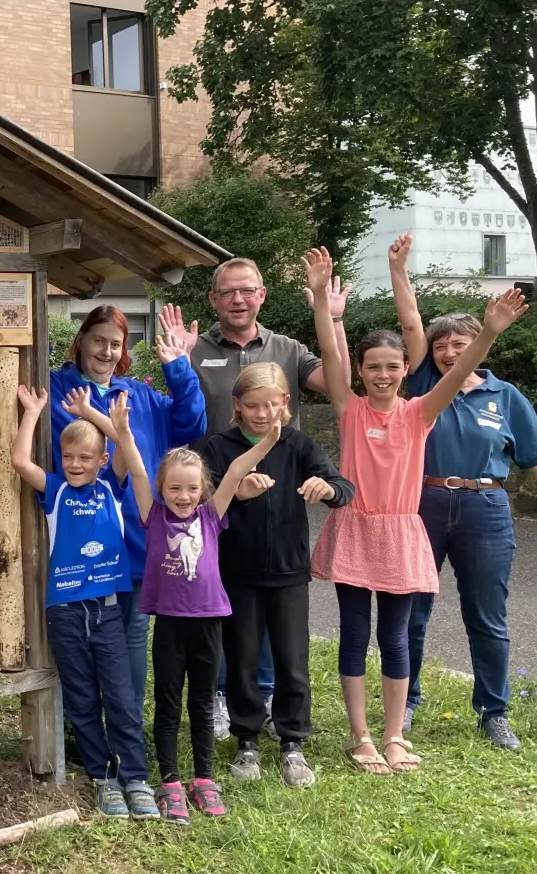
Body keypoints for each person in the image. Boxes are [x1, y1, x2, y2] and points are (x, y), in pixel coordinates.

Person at [306, 246, 527, 775]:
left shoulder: (420, 412)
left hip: (404, 533)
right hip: (356, 528)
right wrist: (320, 301)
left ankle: (395, 734)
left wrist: (491, 329)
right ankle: (360, 735)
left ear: (408, 369)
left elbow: (461, 371)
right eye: (372, 367)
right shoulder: (349, 408)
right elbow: (330, 358)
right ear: (361, 371)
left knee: (398, 636)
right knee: (356, 634)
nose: (382, 375)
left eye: (392, 366)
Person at [66, 387, 278, 824]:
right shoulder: (155, 515)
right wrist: (122, 432)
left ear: (204, 490)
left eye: (192, 488)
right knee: (166, 705)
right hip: (169, 625)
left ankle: (204, 778)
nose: (183, 496)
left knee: (201, 703)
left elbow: (238, 469)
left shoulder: (211, 515)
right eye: (175, 488)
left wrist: (270, 439)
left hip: (208, 624)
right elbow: (139, 469)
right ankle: (170, 782)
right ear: (163, 489)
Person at [388, 233, 537, 751]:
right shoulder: (420, 389)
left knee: (487, 614)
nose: (447, 350)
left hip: (487, 507)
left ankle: (493, 711)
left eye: (458, 343)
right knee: (411, 609)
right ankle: (407, 701)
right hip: (423, 505)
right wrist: (399, 271)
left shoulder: (505, 396)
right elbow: (412, 323)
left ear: (477, 345)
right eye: (441, 345)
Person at [173, 257, 352, 740]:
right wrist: (176, 361)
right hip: (212, 496)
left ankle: (268, 698)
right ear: (213, 299)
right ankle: (222, 696)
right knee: (224, 606)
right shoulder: (196, 348)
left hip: (277, 498)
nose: (238, 299)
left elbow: (340, 383)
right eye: (228, 291)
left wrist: (332, 319)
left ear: (262, 295)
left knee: (275, 612)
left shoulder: (288, 349)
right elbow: (176, 406)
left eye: (247, 290)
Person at [201, 363, 353, 788]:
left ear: (286, 403)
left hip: (289, 573)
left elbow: (342, 486)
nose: (263, 413)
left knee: (292, 660)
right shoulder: (219, 446)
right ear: (237, 406)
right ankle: (246, 740)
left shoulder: (298, 444)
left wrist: (328, 490)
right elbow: (202, 505)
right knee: (243, 657)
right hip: (237, 572)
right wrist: (237, 492)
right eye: (253, 405)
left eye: (272, 404)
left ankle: (292, 743)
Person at [50, 306, 206, 707]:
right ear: (81, 340)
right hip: (79, 537)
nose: (105, 351)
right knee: (80, 631)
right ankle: (80, 725)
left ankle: (128, 724)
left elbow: (191, 425)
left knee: (133, 630)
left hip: (136, 535)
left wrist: (180, 368)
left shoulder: (139, 395)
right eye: (98, 340)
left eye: (115, 344)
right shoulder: (57, 389)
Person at [15, 386, 159, 820]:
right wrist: (33, 413)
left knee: (120, 696)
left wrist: (91, 413)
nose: (75, 465)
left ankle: (134, 777)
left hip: (109, 608)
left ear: (99, 462)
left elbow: (123, 445)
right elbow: (21, 462)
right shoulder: (56, 490)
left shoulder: (112, 489)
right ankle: (103, 777)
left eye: (85, 458)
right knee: (80, 698)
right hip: (65, 612)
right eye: (68, 457)